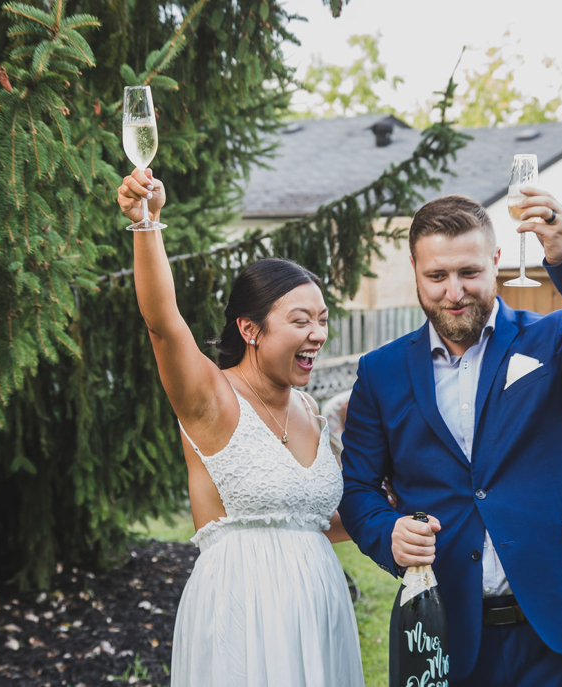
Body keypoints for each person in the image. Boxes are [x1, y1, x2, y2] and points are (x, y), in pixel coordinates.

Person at [338, 190, 562, 686]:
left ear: (495, 261)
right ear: (415, 270)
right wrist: (389, 533)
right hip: (450, 632)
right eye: (437, 276)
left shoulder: (552, 339)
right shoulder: (380, 372)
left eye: (469, 272)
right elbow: (358, 488)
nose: (454, 292)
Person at [117, 168, 364, 687]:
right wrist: (147, 224)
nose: (317, 334)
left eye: (322, 319)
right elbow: (163, 325)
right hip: (242, 616)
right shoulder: (211, 398)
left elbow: (314, 522)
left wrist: (396, 506)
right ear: (250, 329)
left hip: (320, 614)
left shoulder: (310, 411)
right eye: (301, 320)